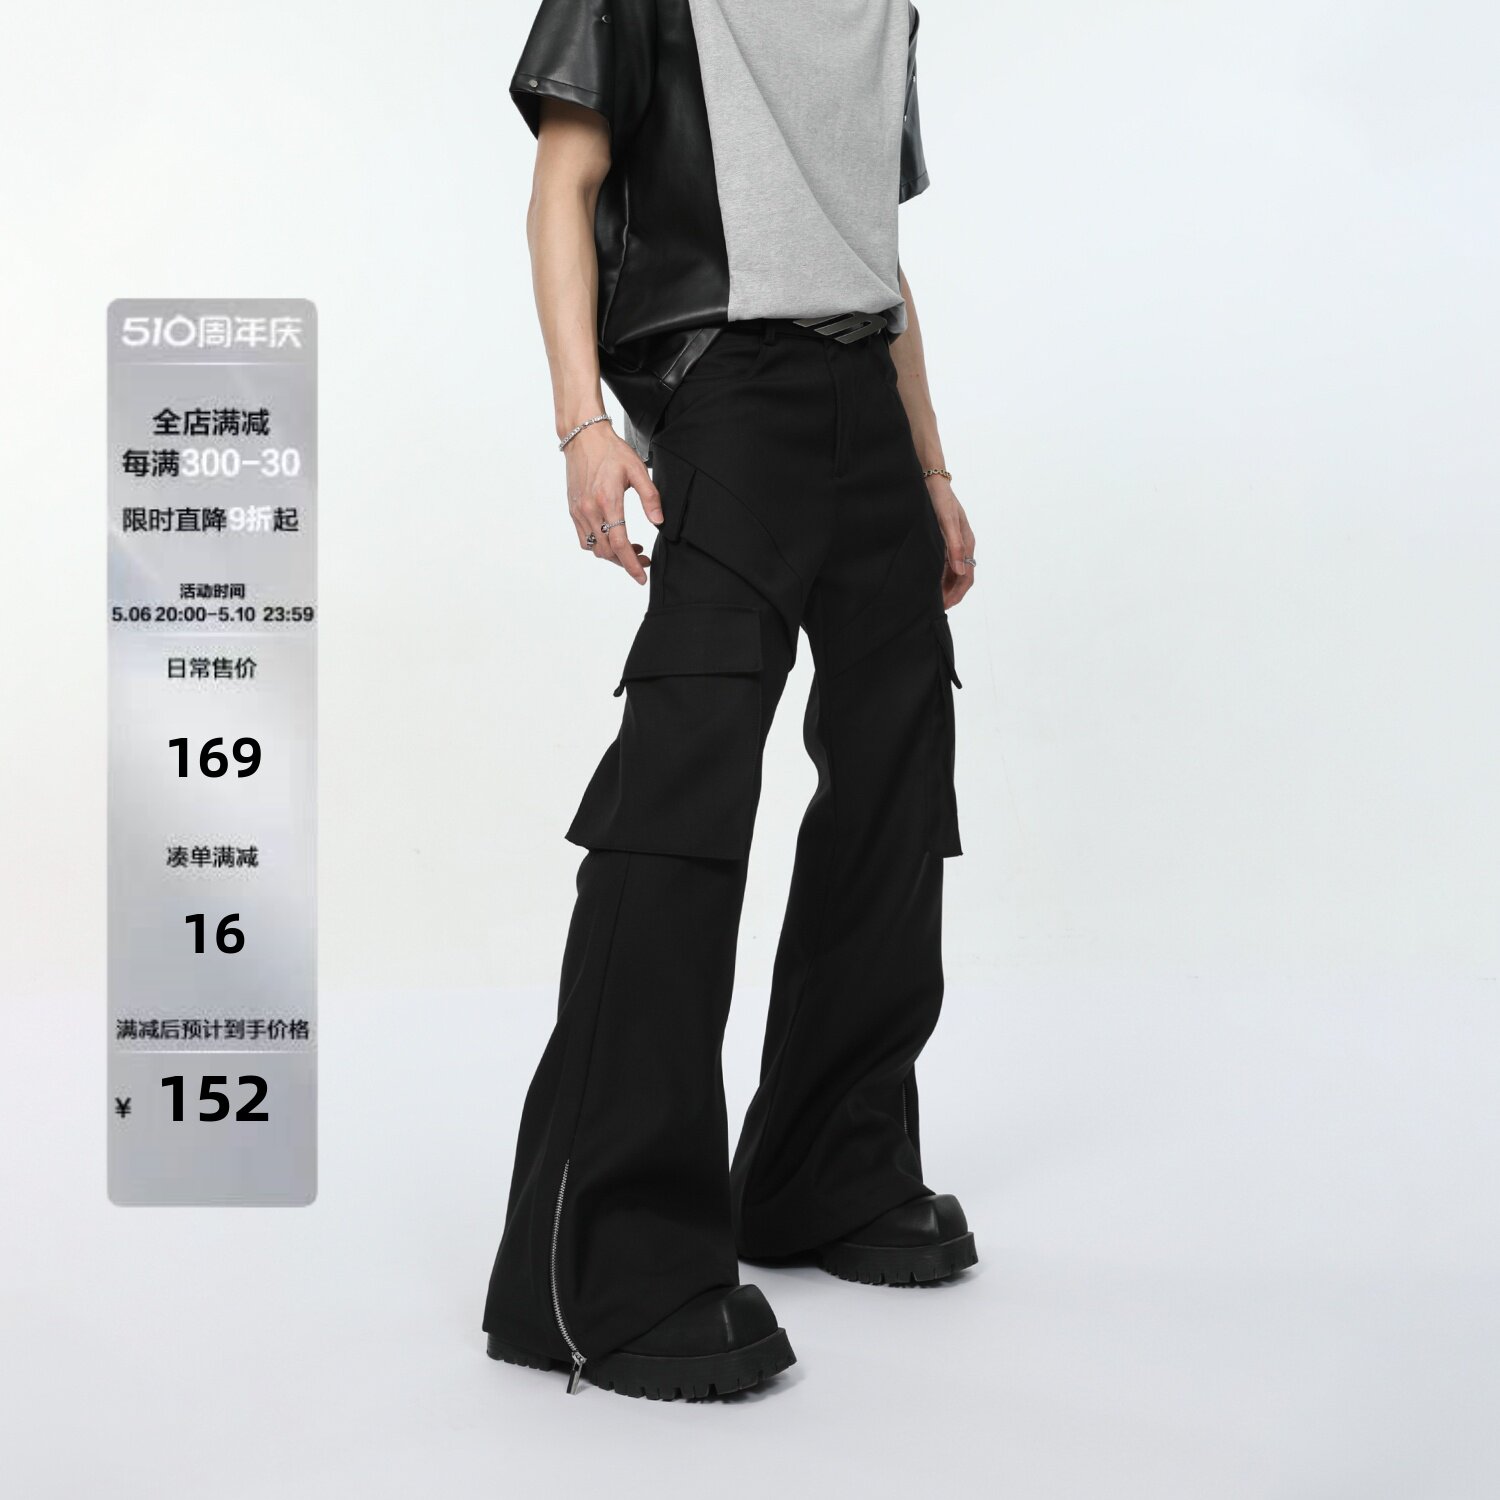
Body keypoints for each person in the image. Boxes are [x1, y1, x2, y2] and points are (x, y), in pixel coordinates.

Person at [481, 0, 979, 1401]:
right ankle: (600, 1270)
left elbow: (873, 248)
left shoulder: (886, 10)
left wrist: (931, 470)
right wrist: (582, 423)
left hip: (861, 391)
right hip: (726, 394)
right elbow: (565, 180)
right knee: (683, 798)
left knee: (897, 776)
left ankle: (830, 1168)